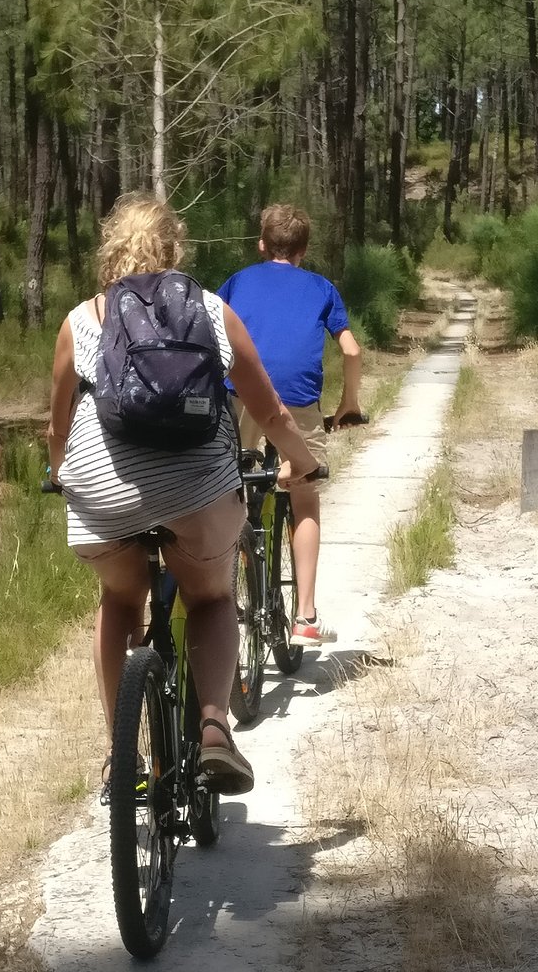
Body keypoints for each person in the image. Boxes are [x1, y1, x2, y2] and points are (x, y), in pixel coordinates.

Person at [47, 193, 320, 796]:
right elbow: (269, 412)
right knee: (212, 597)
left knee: (120, 600)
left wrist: (61, 472)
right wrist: (305, 464)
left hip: (102, 496)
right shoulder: (212, 311)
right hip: (197, 491)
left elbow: (58, 426)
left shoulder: (81, 319)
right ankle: (216, 727)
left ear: (111, 252)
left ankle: (122, 755)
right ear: (175, 250)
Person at [218, 204, 363, 646]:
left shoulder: (238, 281)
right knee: (305, 497)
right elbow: (352, 351)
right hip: (298, 402)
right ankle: (305, 617)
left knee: (231, 492)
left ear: (262, 245)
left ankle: (226, 593)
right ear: (304, 248)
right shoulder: (321, 287)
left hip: (242, 395)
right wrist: (348, 405)